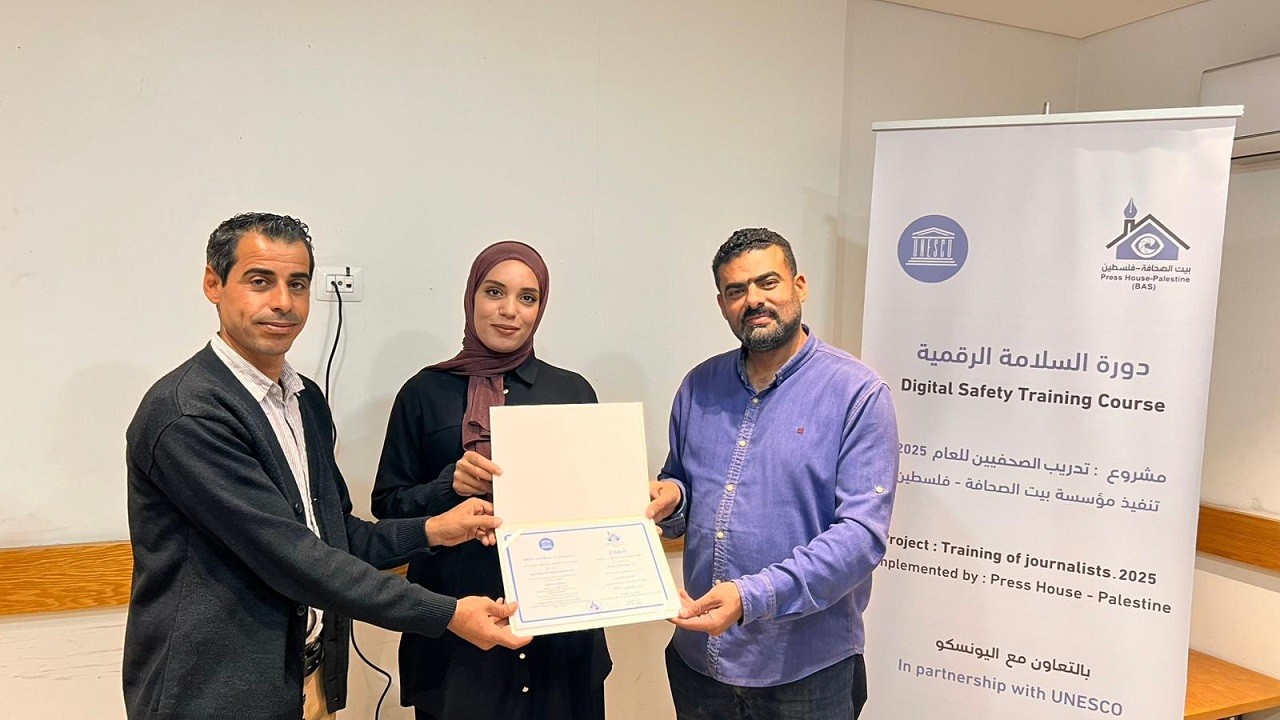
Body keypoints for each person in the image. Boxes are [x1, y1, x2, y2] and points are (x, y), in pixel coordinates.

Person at [124, 213, 529, 720]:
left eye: (297, 284)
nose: (282, 302)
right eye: (259, 281)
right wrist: (447, 613)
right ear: (213, 284)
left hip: (305, 680)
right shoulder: (189, 413)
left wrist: (435, 529)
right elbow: (294, 558)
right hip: (214, 696)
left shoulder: (303, 401)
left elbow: (336, 537)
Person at [646, 228, 899, 719]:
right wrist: (672, 497)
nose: (753, 300)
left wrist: (750, 596)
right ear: (722, 304)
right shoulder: (698, 386)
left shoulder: (858, 394)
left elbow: (861, 537)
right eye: (736, 290)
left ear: (799, 286)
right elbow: (681, 482)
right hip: (700, 664)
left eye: (768, 282)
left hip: (806, 670)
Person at [371, 240, 611, 720]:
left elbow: (599, 503)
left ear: (541, 308)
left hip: (559, 626)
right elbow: (388, 504)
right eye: (494, 292)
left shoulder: (572, 391)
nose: (509, 310)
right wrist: (448, 487)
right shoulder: (423, 393)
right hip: (456, 631)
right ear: (471, 297)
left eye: (528, 297)